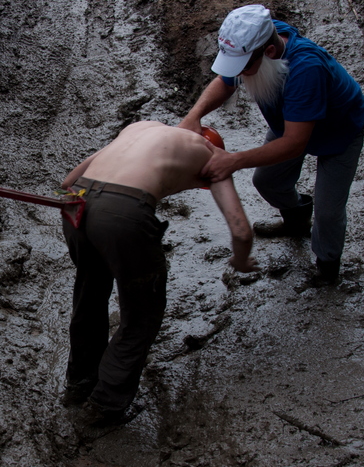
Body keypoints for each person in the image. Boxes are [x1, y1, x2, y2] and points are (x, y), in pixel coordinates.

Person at [60, 121, 256, 423]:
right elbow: (241, 232)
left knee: (90, 294)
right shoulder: (214, 157)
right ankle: (104, 405)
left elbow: (68, 181)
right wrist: (241, 262)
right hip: (122, 212)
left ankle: (79, 384)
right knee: (142, 312)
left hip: (76, 201)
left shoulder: (141, 128)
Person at [178, 4, 364, 284]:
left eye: (244, 68)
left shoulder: (306, 69)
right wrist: (194, 116)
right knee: (267, 182)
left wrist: (234, 160)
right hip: (291, 122)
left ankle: (327, 268)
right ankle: (297, 220)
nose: (240, 74)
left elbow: (294, 143)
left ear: (268, 52)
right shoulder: (258, 38)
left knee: (328, 212)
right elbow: (226, 81)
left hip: (339, 130)